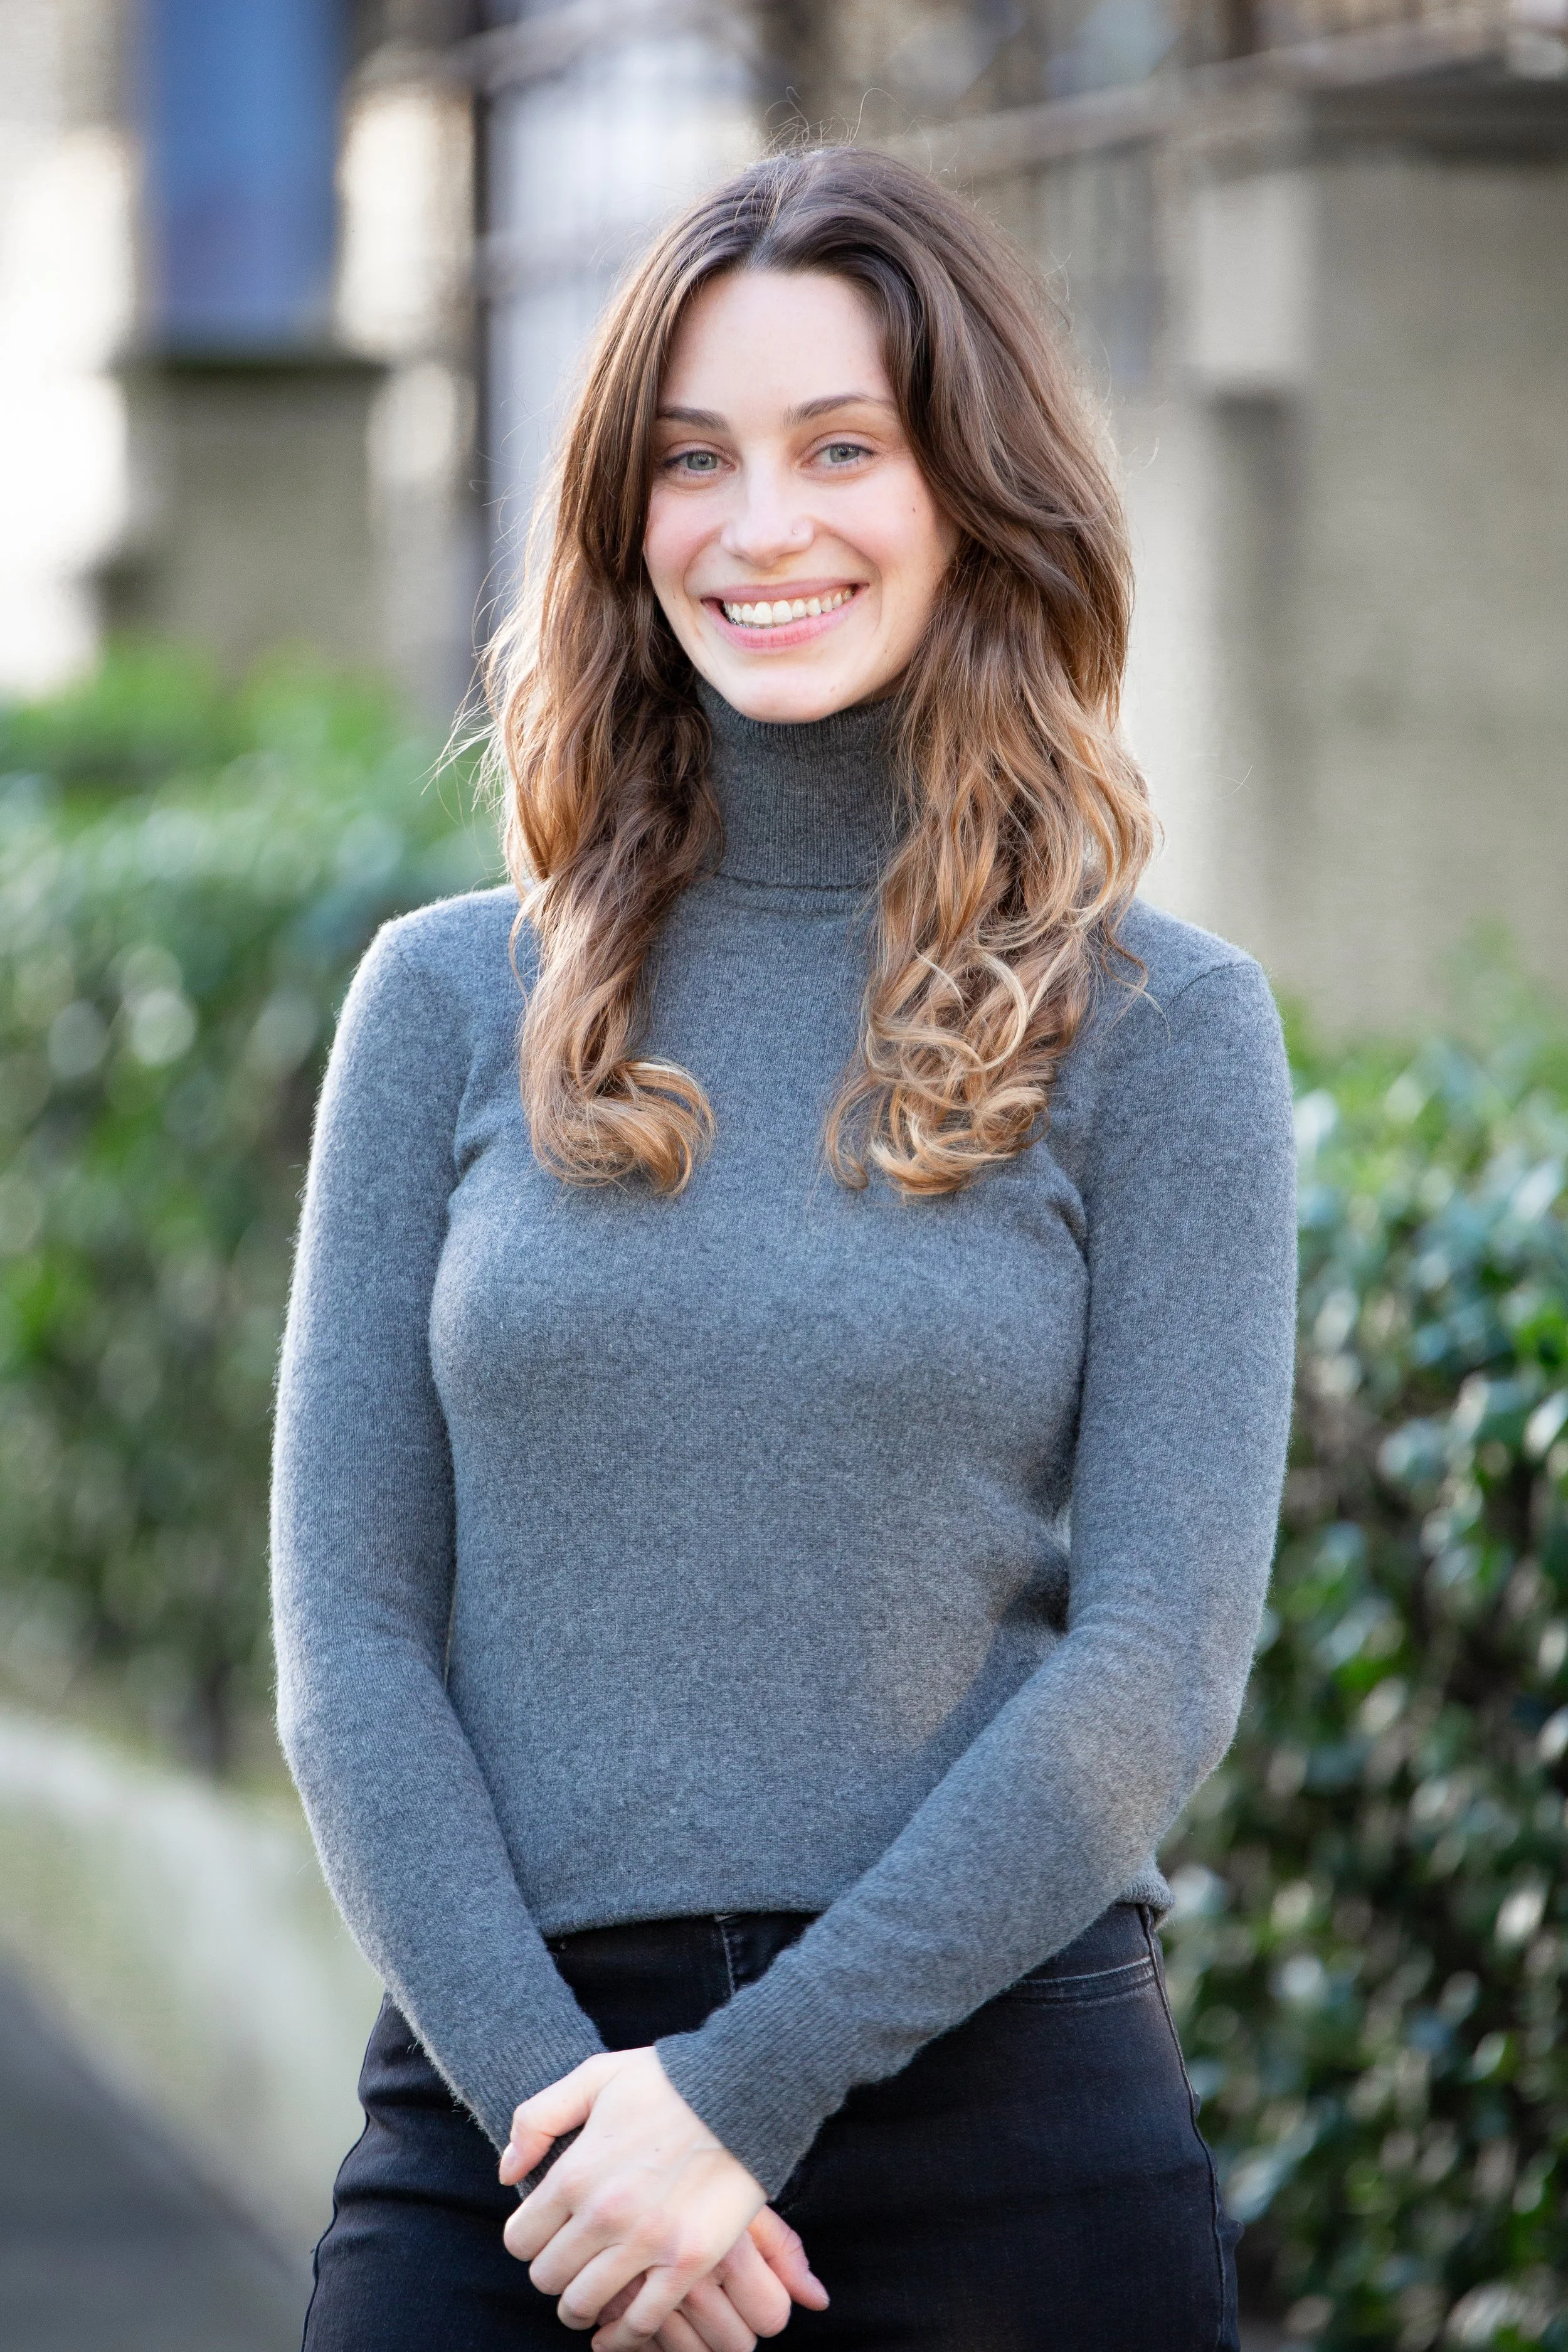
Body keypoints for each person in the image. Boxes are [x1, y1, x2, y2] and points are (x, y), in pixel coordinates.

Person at [273, 145, 1297, 2352]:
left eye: (843, 448)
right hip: (516, 2144)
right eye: (690, 461)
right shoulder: (444, 998)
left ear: (972, 488)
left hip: (998, 2125)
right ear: (617, 519)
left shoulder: (1165, 1030)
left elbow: (1151, 1664)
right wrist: (580, 2115)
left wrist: (742, 2092)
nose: (761, 528)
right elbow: (351, 1630)